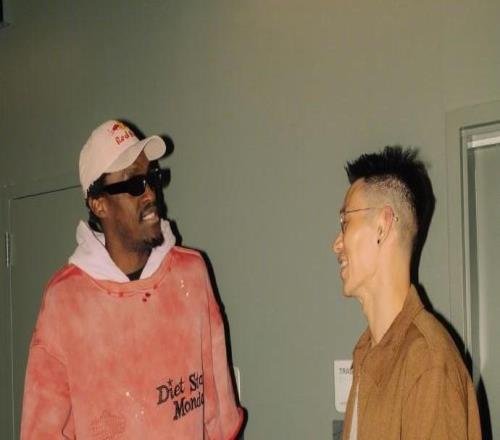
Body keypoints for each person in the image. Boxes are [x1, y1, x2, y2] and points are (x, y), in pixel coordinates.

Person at [20, 120, 244, 439]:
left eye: (152, 178)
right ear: (99, 203)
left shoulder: (191, 274)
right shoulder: (65, 299)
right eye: (135, 184)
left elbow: (219, 413)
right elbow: (41, 430)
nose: (150, 193)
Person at [332, 146, 481, 439]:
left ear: (382, 226)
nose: (337, 244)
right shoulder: (366, 353)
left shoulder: (427, 363)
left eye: (345, 222)